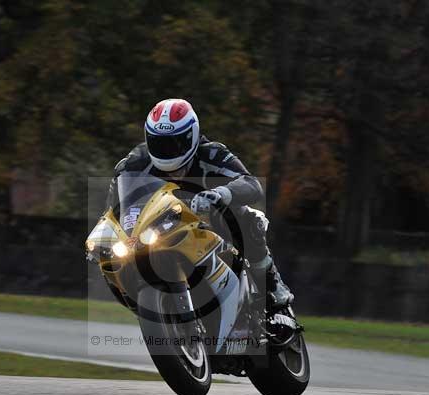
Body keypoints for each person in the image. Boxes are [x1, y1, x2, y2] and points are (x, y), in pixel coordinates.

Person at [107, 98, 293, 308]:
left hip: (210, 222)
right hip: (159, 229)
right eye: (159, 143)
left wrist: (222, 193)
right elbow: (117, 207)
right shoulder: (134, 162)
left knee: (250, 218)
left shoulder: (212, 153)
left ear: (192, 136)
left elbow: (251, 185)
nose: (167, 151)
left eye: (175, 143)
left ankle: (271, 283)